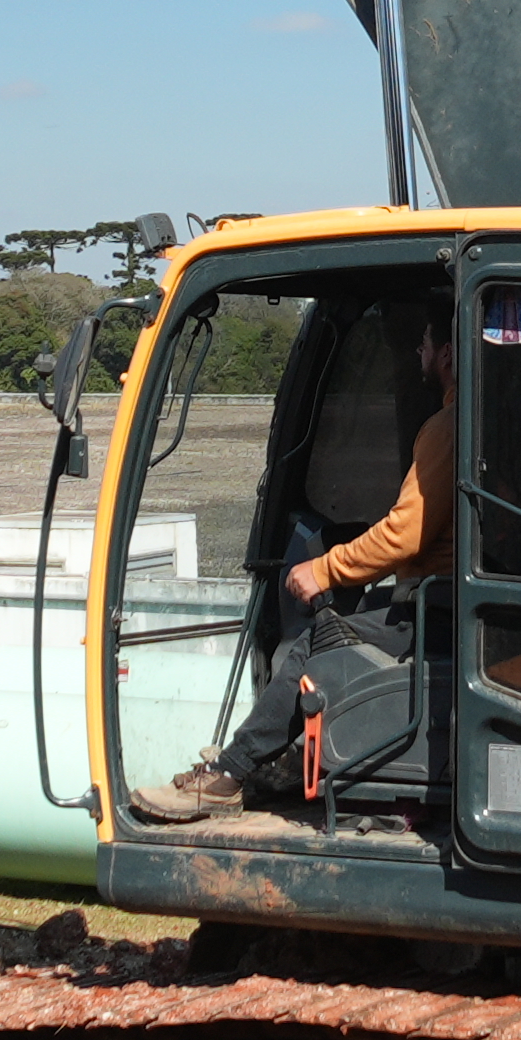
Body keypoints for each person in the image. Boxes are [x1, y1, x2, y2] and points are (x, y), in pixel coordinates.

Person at [128, 295, 457, 830]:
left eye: (423, 342)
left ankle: (227, 777)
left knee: (315, 643)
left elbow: (405, 534)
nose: (417, 351)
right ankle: (275, 762)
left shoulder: (447, 426)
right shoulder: (471, 418)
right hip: (444, 601)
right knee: (360, 615)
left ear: (445, 352)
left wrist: (324, 569)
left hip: (440, 608)